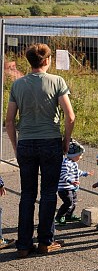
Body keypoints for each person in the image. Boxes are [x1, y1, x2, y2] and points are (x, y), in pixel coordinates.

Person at [4, 42, 76, 258]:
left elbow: (9, 121)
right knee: (48, 193)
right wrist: (66, 140)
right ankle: (45, 241)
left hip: (26, 142)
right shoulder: (57, 81)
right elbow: (70, 116)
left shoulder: (18, 84)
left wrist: (16, 146)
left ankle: (23, 244)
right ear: (47, 60)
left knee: (27, 194)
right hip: (50, 141)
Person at [56, 140, 90, 223]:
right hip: (65, 188)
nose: (81, 157)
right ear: (73, 155)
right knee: (68, 203)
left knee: (74, 202)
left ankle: (69, 215)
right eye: (80, 155)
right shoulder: (66, 163)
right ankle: (60, 216)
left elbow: (76, 171)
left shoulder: (73, 163)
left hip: (72, 187)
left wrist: (85, 173)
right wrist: (71, 181)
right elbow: (63, 175)